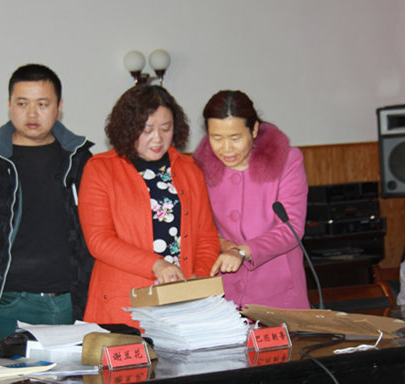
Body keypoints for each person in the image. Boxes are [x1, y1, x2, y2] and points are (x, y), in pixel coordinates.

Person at [0, 64, 94, 340]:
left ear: (59, 107)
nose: (32, 113)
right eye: (22, 104)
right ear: (9, 105)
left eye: (42, 104)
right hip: (6, 304)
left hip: (72, 302)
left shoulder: (80, 161)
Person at [78, 85, 220, 329]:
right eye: (147, 130)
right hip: (122, 302)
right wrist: (156, 265)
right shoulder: (100, 169)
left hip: (181, 303)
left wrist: (199, 277)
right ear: (128, 128)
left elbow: (207, 237)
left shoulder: (189, 169)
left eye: (166, 129)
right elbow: (99, 241)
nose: (158, 138)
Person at [193, 90, 310, 310]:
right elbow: (199, 227)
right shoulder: (199, 167)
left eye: (235, 138)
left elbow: (291, 228)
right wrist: (224, 245)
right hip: (223, 293)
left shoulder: (286, 161)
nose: (226, 148)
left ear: (254, 129)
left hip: (278, 290)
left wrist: (243, 251)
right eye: (216, 138)